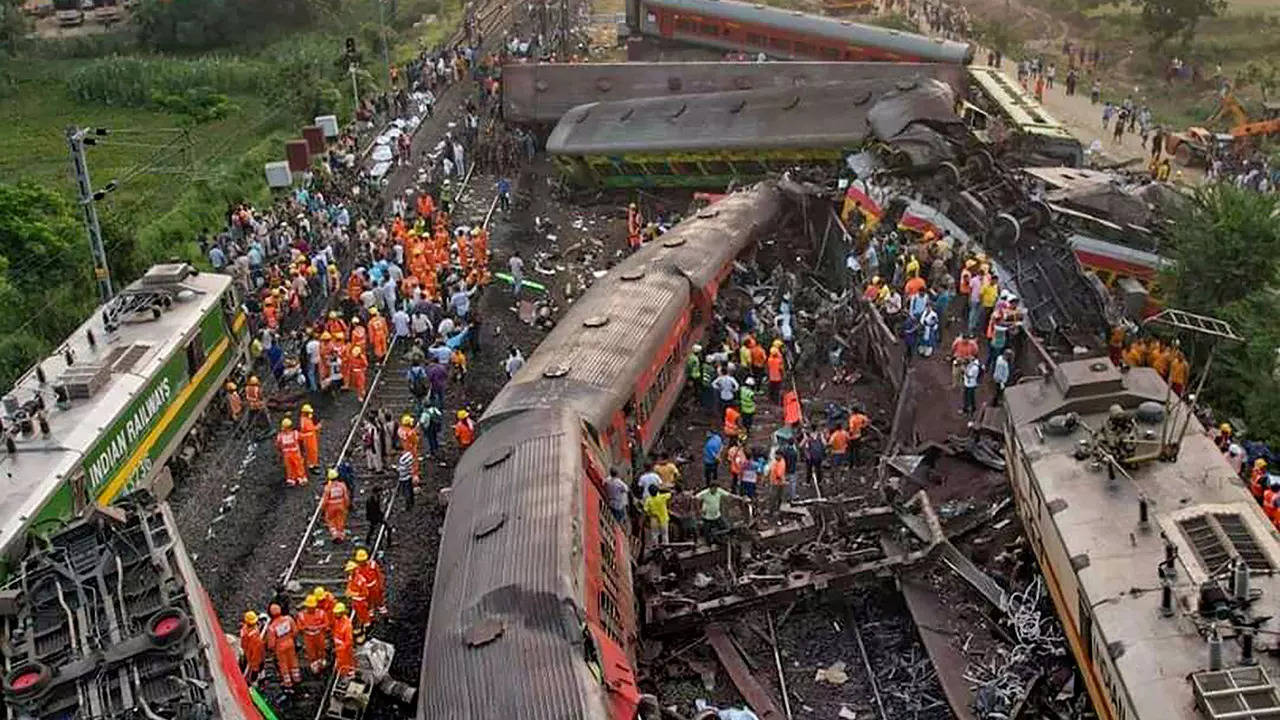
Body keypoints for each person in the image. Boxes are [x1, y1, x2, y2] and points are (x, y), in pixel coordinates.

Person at [265, 604, 301, 690]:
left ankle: (287, 682)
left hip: (280, 647)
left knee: (283, 664)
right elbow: (295, 631)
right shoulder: (288, 619)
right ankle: (296, 677)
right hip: (290, 643)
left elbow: (271, 644)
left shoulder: (272, 627)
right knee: (293, 660)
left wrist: (271, 649)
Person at [296, 594, 329, 676]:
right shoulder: (301, 615)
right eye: (310, 607)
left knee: (321, 649)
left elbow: (326, 623)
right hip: (308, 636)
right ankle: (314, 665)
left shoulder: (321, 613)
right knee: (311, 651)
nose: (311, 609)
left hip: (319, 634)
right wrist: (307, 628)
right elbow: (299, 626)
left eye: (313, 607)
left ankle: (322, 662)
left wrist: (318, 627)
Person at [321, 468, 351, 543]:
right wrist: (347, 505)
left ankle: (335, 535)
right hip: (341, 505)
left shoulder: (328, 487)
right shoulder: (342, 485)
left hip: (331, 506)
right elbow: (346, 497)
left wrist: (323, 508)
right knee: (340, 520)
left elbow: (325, 499)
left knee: (331, 521)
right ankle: (341, 535)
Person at [276, 418, 307, 487]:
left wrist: (303, 450)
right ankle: (291, 479)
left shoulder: (295, 434)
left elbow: (302, 439)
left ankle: (301, 478)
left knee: (298, 465)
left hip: (295, 453)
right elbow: (278, 445)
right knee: (289, 467)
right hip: (286, 454)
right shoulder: (280, 436)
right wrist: (279, 453)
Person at [643, 484, 672, 556]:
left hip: (654, 519)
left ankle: (656, 548)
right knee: (665, 534)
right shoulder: (662, 497)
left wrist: (650, 513)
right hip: (663, 518)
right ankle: (666, 549)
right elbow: (671, 494)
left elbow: (645, 510)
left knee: (654, 534)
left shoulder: (648, 500)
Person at [331, 603, 356, 678]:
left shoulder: (347, 625)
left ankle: (347, 676)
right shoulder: (337, 620)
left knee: (346, 664)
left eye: (337, 613)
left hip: (345, 650)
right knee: (341, 664)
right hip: (339, 649)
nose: (335, 615)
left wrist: (339, 647)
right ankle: (342, 674)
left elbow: (349, 641)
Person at [240, 611, 265, 683]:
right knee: (255, 669)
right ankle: (254, 681)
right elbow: (256, 652)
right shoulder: (255, 638)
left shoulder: (244, 629)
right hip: (253, 655)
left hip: (247, 652)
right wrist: (255, 666)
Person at [299, 404, 322, 472]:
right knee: (310, 451)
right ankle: (312, 466)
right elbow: (309, 429)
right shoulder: (304, 421)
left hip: (311, 437)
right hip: (308, 439)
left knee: (314, 451)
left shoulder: (306, 418)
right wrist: (317, 427)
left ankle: (314, 462)